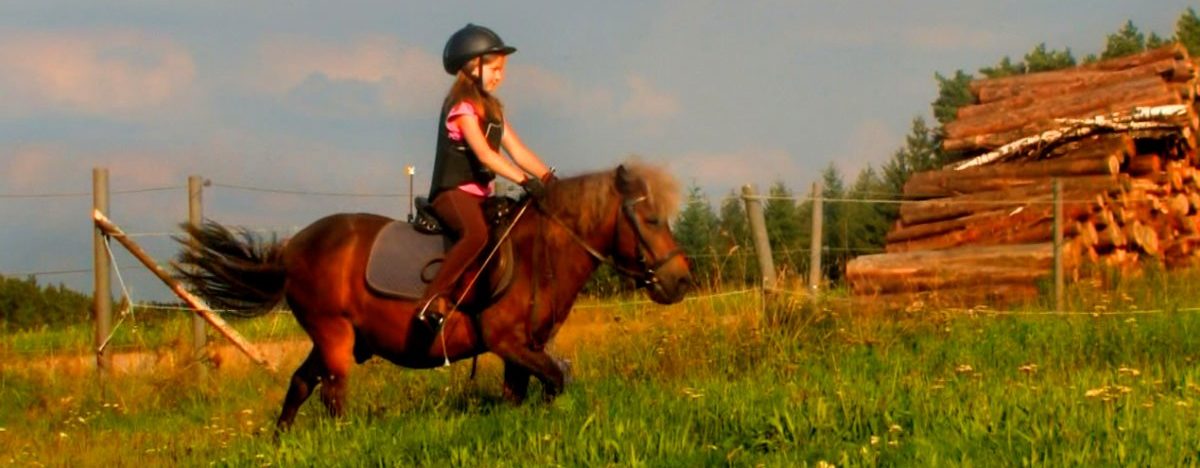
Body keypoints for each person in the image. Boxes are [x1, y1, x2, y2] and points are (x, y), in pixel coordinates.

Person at [418, 24, 554, 330]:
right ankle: (433, 299)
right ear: (472, 65)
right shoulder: (462, 108)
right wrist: (523, 181)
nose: (499, 76)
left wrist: (547, 178)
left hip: (480, 196)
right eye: (494, 68)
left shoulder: (493, 111)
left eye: (502, 70)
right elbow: (484, 154)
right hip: (452, 194)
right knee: (476, 235)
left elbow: (518, 151)